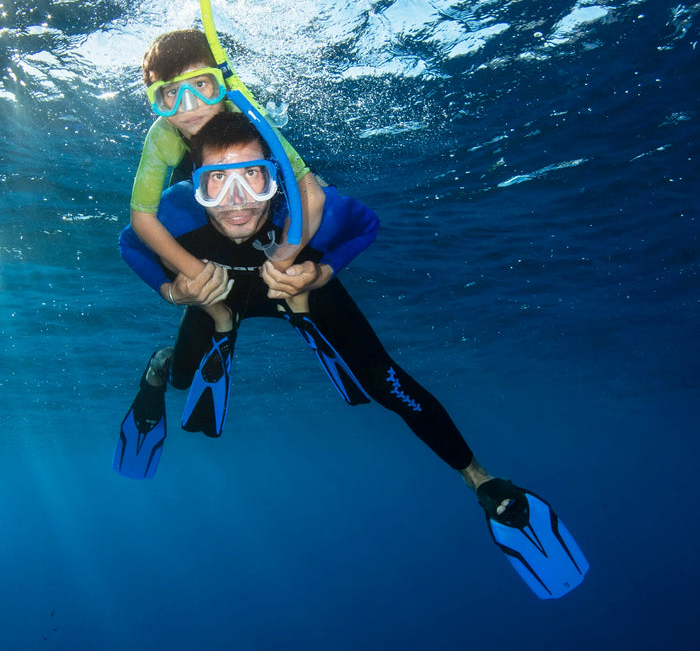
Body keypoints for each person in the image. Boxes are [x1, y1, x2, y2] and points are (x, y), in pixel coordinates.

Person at [114, 111, 589, 600]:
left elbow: (366, 225)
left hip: (300, 286)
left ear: (274, 176)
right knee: (180, 379)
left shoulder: (309, 208)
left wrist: (320, 275)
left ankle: (481, 480)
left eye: (252, 177)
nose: (236, 202)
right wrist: (174, 290)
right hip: (220, 295)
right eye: (215, 182)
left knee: (385, 381)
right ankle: (162, 367)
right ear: (195, 186)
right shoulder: (174, 211)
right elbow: (131, 243)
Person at [129, 29, 327, 331]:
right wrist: (196, 275)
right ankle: (218, 313)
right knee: (169, 239)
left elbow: (311, 192)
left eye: (199, 85)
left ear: (219, 83)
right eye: (172, 92)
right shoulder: (163, 136)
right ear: (157, 100)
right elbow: (142, 219)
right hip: (194, 185)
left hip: (263, 186)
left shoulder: (247, 112)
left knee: (323, 191)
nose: (189, 105)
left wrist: (285, 258)